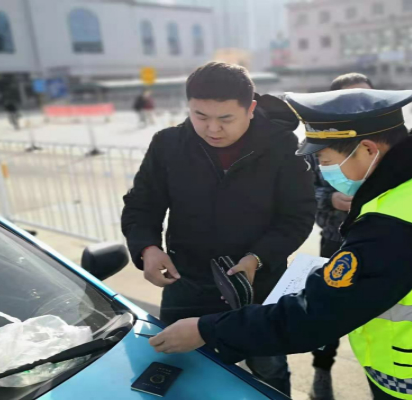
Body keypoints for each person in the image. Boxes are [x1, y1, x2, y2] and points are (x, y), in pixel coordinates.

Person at [148, 88, 412, 400]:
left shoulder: (392, 224)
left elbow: (312, 318)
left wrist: (206, 329)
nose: (323, 171)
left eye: (325, 160)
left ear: (367, 149)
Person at [121, 62, 316, 396]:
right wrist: (147, 248)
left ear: (250, 108)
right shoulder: (168, 144)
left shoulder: (282, 147)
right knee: (179, 371)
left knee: (268, 370)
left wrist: (257, 258)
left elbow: (297, 216)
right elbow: (142, 204)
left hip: (257, 289)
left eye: (226, 118)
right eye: (200, 116)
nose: (213, 129)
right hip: (187, 285)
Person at [307, 72, 374, 400]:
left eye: (367, 99)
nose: (360, 107)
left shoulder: (390, 141)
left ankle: (382, 377)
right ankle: (322, 371)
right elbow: (301, 193)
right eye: (350, 100)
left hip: (383, 240)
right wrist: (330, 198)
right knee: (329, 311)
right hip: (336, 240)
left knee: (381, 312)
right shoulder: (317, 142)